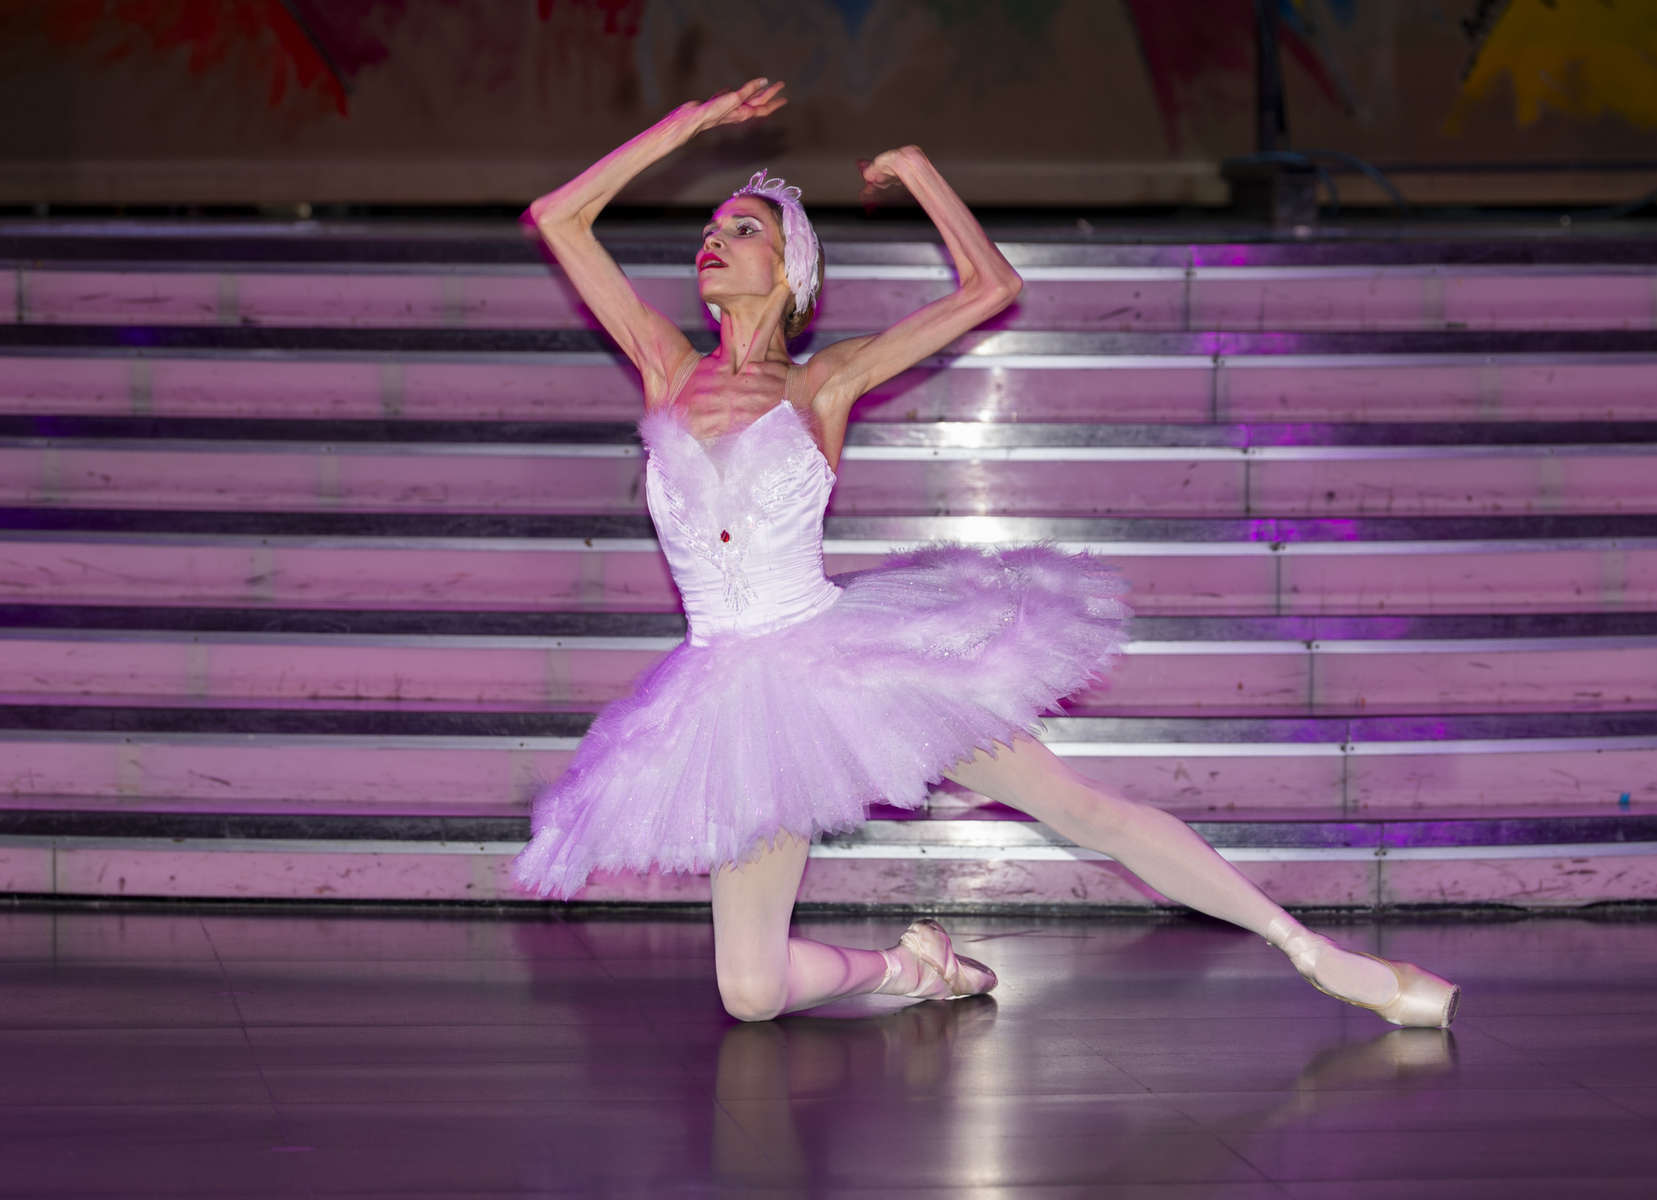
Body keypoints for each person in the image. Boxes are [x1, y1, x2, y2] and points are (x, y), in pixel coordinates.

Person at [511, 78, 1459, 1029]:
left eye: (742, 228)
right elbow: (559, 217)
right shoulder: (666, 368)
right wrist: (686, 127)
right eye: (709, 229)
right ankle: (910, 969)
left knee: (1076, 806)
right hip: (730, 691)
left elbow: (991, 288)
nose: (712, 241)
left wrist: (918, 171)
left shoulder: (823, 383)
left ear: (791, 268)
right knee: (751, 993)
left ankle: (1314, 950)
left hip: (842, 659)